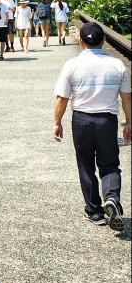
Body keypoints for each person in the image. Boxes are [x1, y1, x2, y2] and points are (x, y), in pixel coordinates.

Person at [53, 22, 131, 230]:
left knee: (86, 165)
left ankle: (94, 210)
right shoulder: (117, 65)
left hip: (82, 120)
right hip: (107, 120)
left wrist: (56, 123)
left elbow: (62, 98)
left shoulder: (72, 65)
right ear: (103, 41)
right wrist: (129, 123)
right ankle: (112, 197)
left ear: (80, 41)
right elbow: (127, 98)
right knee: (110, 164)